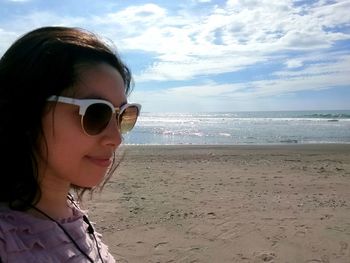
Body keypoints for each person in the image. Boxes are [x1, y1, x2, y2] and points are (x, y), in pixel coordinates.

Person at [0, 26, 141, 262]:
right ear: (26, 110)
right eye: (96, 113)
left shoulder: (71, 215)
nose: (116, 138)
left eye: (123, 115)